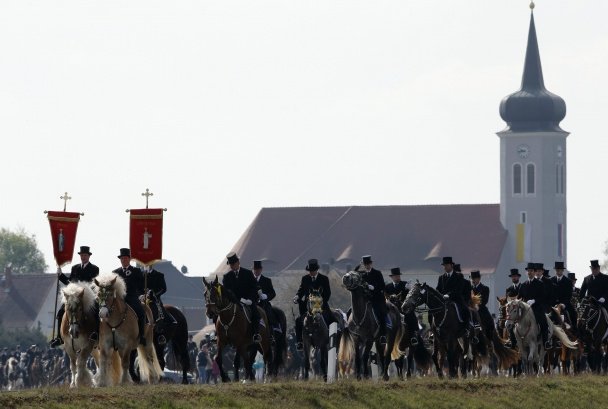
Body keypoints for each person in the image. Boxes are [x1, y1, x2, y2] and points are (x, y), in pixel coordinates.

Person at [49, 245, 100, 348]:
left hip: (87, 297)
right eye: (82, 255)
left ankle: (96, 333)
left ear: (88, 256)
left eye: (85, 255)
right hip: (74, 297)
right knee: (60, 312)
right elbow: (70, 283)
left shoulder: (94, 269)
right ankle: (59, 337)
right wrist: (61, 275)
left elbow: (93, 284)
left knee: (96, 311)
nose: (83, 257)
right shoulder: (75, 268)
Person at [293, 258, 333, 351]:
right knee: (298, 320)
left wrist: (320, 303)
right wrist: (297, 296)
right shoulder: (305, 279)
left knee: (331, 318)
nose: (311, 273)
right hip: (308, 307)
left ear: (316, 270)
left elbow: (328, 293)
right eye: (310, 271)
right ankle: (299, 342)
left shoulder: (324, 279)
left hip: (321, 305)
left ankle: (333, 337)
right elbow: (301, 290)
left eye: (313, 271)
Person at [436, 256, 476, 343]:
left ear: (451, 265)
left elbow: (458, 290)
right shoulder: (441, 277)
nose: (445, 267)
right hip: (443, 301)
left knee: (465, 310)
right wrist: (438, 295)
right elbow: (438, 289)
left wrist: (448, 295)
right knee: (433, 312)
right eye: (444, 265)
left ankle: (467, 328)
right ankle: (434, 331)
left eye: (446, 265)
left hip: (456, 300)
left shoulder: (458, 276)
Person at [222, 252, 261, 343]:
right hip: (233, 302)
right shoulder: (226, 277)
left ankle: (256, 333)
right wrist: (238, 300)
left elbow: (254, 287)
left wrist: (250, 299)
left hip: (248, 300)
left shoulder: (248, 273)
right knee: (220, 313)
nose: (232, 266)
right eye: (231, 264)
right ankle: (219, 334)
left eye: (234, 264)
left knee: (256, 314)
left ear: (238, 263)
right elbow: (227, 292)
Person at [113, 248, 147, 346]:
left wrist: (141, 294)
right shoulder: (115, 272)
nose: (123, 260)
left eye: (125, 258)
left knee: (141, 313)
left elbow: (141, 286)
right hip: (119, 298)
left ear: (129, 259)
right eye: (122, 258)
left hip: (132, 297)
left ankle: (141, 336)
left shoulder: (136, 271)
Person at [520, 262, 551, 349]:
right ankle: (513, 340)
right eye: (528, 271)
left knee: (543, 322)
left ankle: (545, 341)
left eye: (531, 271)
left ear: (534, 272)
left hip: (536, 308)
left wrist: (534, 300)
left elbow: (543, 297)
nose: (529, 272)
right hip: (525, 309)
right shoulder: (523, 285)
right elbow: (520, 297)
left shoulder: (540, 283)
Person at [385, 267, 419, 345]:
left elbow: (410, 296)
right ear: (392, 277)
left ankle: (413, 335)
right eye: (396, 276)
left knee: (411, 315)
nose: (398, 277)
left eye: (398, 276)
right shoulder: (388, 286)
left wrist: (409, 289)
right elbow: (386, 297)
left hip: (403, 307)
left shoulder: (404, 284)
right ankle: (382, 335)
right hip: (391, 308)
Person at [359, 255, 388, 345]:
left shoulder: (377, 273)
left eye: (368, 264)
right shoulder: (362, 275)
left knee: (380, 313)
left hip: (377, 299)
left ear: (371, 264)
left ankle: (383, 335)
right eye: (365, 264)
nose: (367, 265)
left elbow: (382, 286)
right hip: (366, 300)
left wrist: (374, 288)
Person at [144, 267, 176, 345]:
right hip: (142, 300)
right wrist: (142, 295)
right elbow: (136, 287)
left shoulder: (159, 275)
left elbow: (163, 288)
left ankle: (161, 336)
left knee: (172, 322)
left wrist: (154, 294)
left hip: (155, 301)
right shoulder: (139, 274)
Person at [252, 260, 279, 333]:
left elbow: (273, 293)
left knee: (269, 313)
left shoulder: (267, 280)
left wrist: (266, 296)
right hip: (252, 303)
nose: (256, 271)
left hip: (263, 304)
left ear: (261, 269)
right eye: (255, 269)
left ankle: (272, 330)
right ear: (253, 269)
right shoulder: (249, 280)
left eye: (258, 269)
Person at [551, 261, 576, 329]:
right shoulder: (551, 280)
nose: (558, 271)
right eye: (557, 270)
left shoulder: (568, 281)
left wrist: (564, 304)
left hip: (565, 303)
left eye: (559, 270)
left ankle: (574, 329)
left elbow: (569, 295)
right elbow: (550, 293)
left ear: (562, 270)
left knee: (573, 313)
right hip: (553, 304)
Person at [471, 270, 493, 340]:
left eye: (474, 278)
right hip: (471, 309)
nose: (473, 280)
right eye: (472, 278)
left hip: (481, 309)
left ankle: (490, 338)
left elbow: (485, 301)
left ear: (479, 279)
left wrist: (477, 306)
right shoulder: (469, 289)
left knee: (489, 322)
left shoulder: (485, 288)